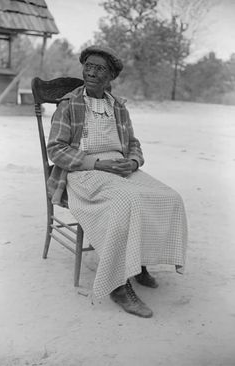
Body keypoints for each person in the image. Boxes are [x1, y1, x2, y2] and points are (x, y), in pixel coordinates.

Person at [47, 45, 188, 318]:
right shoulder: (70, 104)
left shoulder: (118, 107)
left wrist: (132, 162)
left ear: (111, 76)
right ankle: (118, 285)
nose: (91, 72)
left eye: (100, 68)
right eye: (88, 65)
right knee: (128, 200)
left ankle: (139, 261)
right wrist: (98, 164)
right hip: (84, 172)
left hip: (120, 169)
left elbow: (133, 144)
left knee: (169, 197)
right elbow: (56, 150)